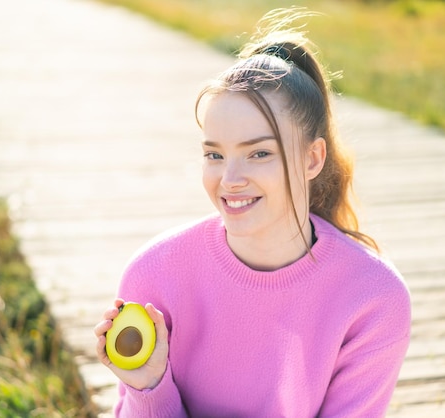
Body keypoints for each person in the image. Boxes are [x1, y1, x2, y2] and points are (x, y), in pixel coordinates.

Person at [94, 8, 411, 417]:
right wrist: (149, 385)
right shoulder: (154, 273)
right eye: (215, 154)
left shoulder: (374, 297)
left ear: (313, 158)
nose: (230, 179)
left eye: (258, 153)